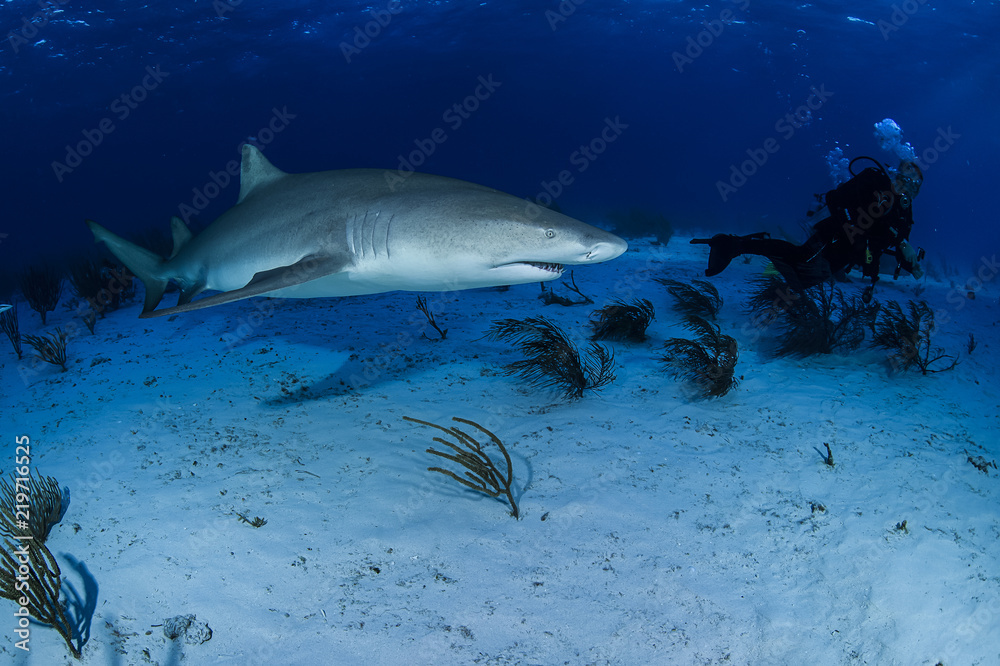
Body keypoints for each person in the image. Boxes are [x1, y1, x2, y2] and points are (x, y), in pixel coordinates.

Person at [692, 157, 925, 302]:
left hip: (848, 253)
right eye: (903, 180)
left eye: (913, 188)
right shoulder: (874, 180)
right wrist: (851, 228)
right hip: (835, 233)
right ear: (896, 174)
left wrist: (911, 263)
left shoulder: (904, 210)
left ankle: (776, 294)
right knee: (800, 256)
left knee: (804, 279)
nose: (905, 189)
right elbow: (836, 199)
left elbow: (898, 240)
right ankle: (733, 245)